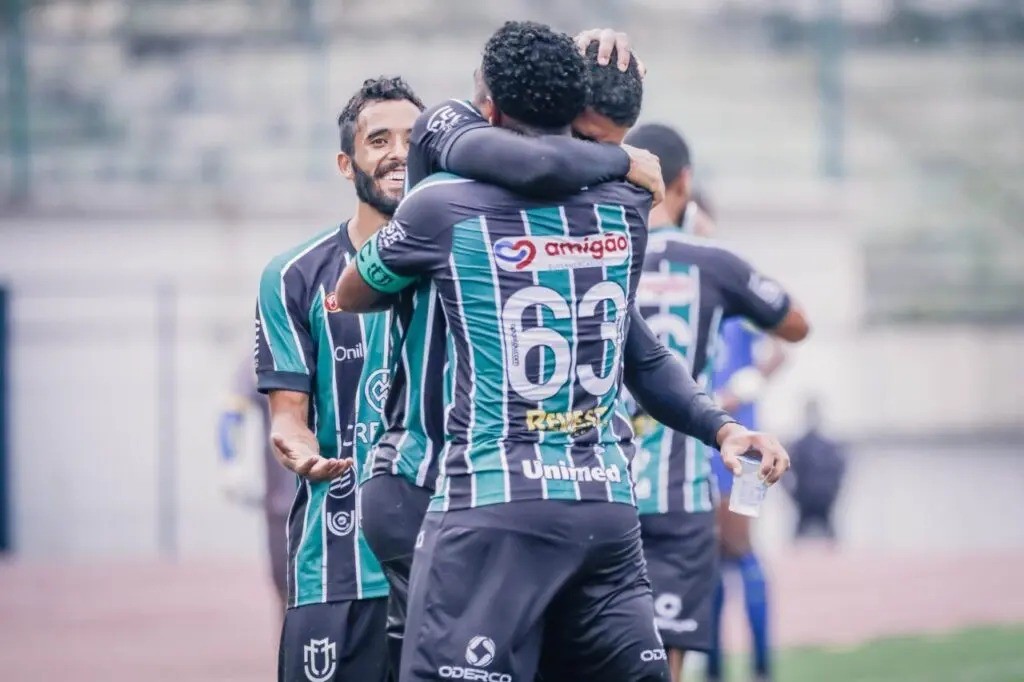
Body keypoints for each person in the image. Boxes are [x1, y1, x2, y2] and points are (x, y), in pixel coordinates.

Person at [336, 22, 791, 682]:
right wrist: (720, 426)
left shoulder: (442, 202)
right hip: (602, 509)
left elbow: (353, 292)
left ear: (489, 106)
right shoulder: (620, 208)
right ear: (577, 110)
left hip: (484, 501)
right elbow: (643, 353)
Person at [625, 122, 811, 682]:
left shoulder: (600, 253)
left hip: (622, 480)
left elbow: (774, 353)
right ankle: (746, 666)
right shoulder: (713, 267)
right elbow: (793, 327)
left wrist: (746, 382)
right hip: (702, 469)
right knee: (734, 560)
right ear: (684, 185)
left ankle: (747, 664)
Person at [254, 76, 425, 682]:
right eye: (379, 139)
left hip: (448, 562)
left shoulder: (468, 258)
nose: (399, 152)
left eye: (413, 137)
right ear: (345, 161)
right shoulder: (293, 275)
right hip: (336, 561)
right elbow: (287, 414)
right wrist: (299, 451)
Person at [707, 318, 787, 682]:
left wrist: (739, 391)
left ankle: (758, 666)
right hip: (702, 444)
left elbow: (779, 349)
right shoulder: (688, 307)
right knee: (713, 558)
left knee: (736, 547)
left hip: (740, 449)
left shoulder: (734, 312)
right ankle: (721, 667)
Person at [216, 358, 293, 613]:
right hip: (284, 501)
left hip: (339, 494)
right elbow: (231, 413)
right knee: (286, 590)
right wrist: (231, 464)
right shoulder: (262, 352)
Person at [785, 397, 846, 543]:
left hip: (825, 498)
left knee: (832, 539)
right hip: (804, 499)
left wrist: (833, 491)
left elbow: (840, 469)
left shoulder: (829, 446)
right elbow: (785, 470)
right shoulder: (799, 446)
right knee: (797, 540)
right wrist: (793, 494)